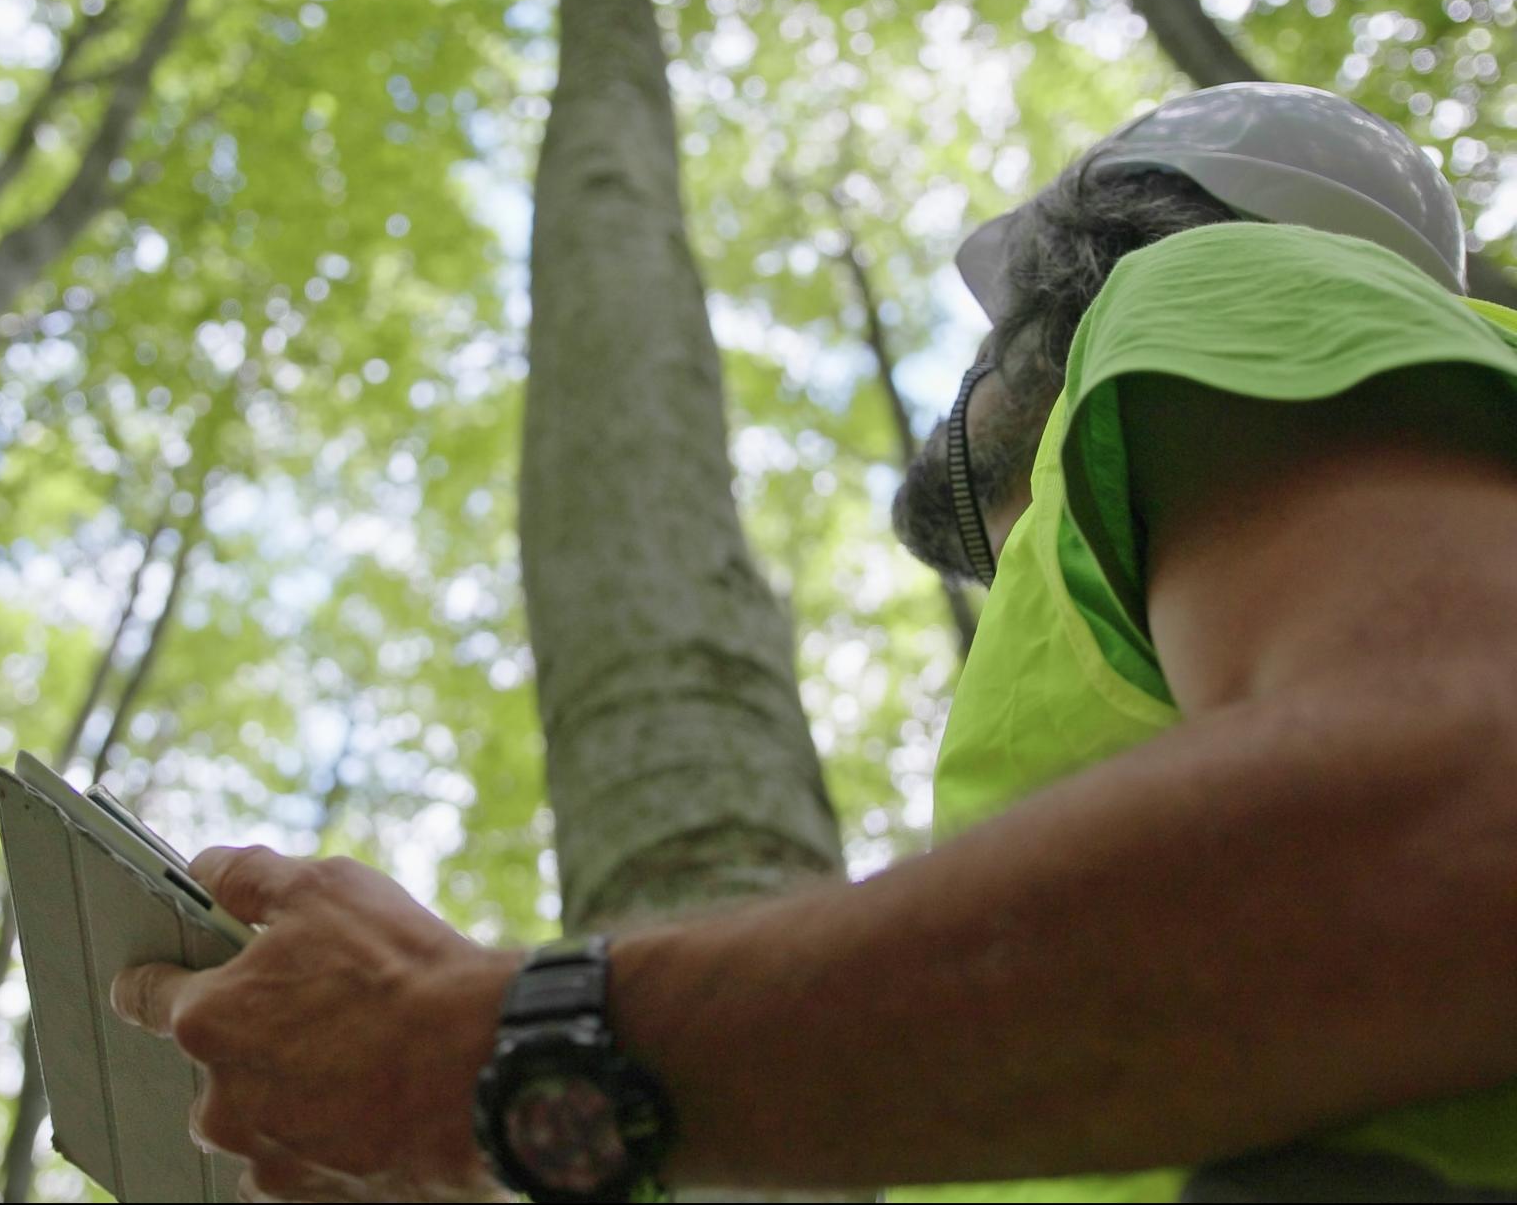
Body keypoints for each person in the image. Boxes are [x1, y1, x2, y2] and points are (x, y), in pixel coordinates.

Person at [108, 83, 1517, 1203]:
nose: (980, 356)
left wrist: (478, 1050)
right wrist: (466, 1150)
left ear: (1094, 250)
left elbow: (1466, 819)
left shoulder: (1217, 282)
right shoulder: (1116, 587)